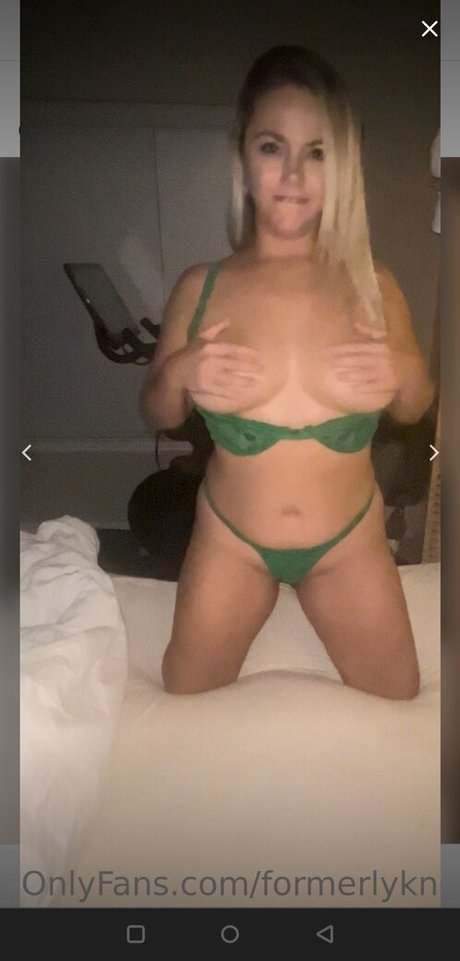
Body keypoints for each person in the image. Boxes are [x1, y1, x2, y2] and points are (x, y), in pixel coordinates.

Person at [140, 46, 434, 698]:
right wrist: (181, 370)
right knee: (186, 691)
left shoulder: (375, 285)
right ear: (244, 158)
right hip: (232, 540)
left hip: (349, 541)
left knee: (398, 694)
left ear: (342, 168)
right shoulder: (200, 285)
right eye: (273, 147)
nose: (294, 173)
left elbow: (415, 404)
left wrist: (404, 369)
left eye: (317, 152)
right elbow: (155, 409)